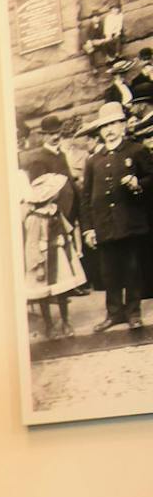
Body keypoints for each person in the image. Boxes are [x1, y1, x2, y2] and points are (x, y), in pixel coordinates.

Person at [81, 101, 150, 333]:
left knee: (131, 268)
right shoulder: (93, 160)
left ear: (123, 125)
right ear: (99, 130)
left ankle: (133, 313)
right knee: (108, 272)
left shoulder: (136, 151)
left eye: (113, 124)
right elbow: (86, 197)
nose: (109, 130)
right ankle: (114, 313)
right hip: (104, 225)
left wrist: (138, 184)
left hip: (129, 222)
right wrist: (88, 228)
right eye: (104, 126)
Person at [18, 115, 84, 339]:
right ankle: (49, 324)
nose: (56, 137)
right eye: (51, 134)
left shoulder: (61, 155)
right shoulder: (39, 159)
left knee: (63, 278)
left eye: (58, 133)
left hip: (62, 217)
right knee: (45, 280)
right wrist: (48, 205)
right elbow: (39, 191)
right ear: (44, 136)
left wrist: (71, 212)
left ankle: (65, 321)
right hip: (44, 221)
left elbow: (68, 185)